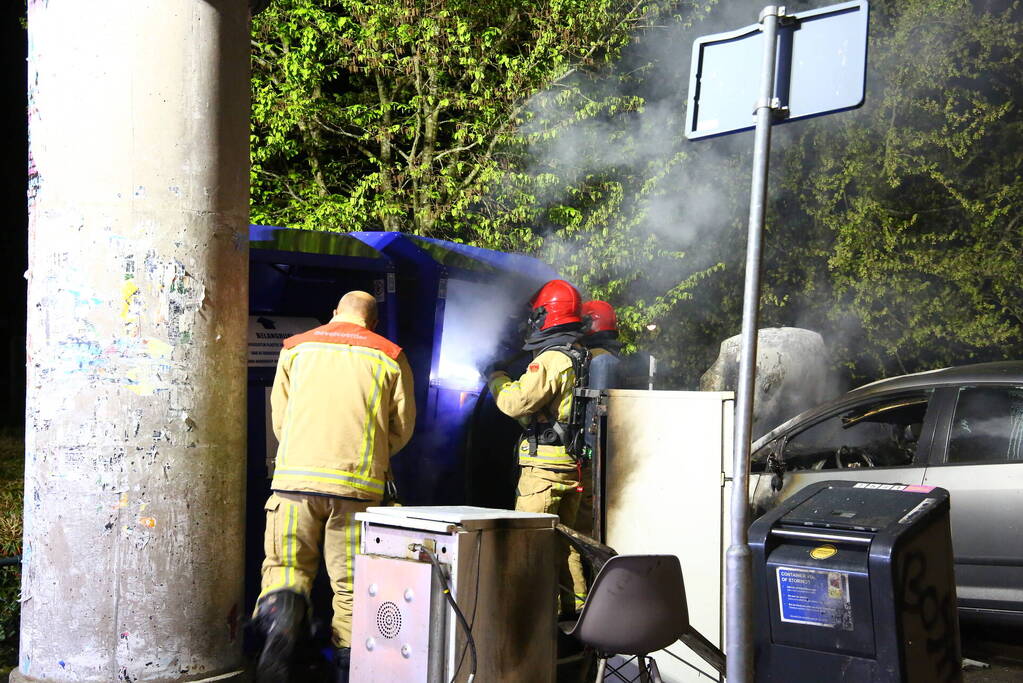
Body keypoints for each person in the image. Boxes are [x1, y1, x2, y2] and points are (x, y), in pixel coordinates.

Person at [253, 291, 416, 683]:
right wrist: (374, 454)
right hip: (357, 493)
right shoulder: (390, 355)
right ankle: (348, 669)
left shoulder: (296, 348)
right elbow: (401, 428)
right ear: (372, 322)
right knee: (352, 588)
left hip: (294, 484)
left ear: (334, 314)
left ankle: (281, 622)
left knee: (286, 570)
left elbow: (281, 418)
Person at [486, 279, 590, 616]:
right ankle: (574, 622)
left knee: (529, 548)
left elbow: (516, 402)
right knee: (566, 549)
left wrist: (496, 376)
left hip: (544, 473)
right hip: (572, 468)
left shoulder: (551, 360)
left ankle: (528, 623)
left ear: (547, 315)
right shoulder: (583, 355)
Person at [567, 300, 624, 610]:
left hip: (593, 467)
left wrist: (585, 456)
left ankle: (580, 606)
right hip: (617, 464)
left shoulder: (599, 363)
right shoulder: (617, 360)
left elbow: (594, 425)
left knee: (577, 535)